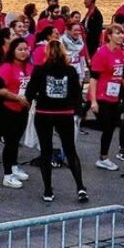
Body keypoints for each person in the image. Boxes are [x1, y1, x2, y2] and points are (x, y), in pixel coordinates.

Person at [24, 41, 87, 203]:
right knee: (70, 151)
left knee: (46, 151)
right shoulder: (70, 71)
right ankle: (80, 187)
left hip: (44, 113)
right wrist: (78, 112)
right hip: (64, 113)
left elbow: (30, 92)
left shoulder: (39, 70)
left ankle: (47, 190)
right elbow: (76, 94)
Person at [88, 24, 124, 171]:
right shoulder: (102, 53)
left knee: (111, 127)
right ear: (109, 36)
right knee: (107, 126)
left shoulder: (120, 52)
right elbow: (93, 78)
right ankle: (103, 158)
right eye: (117, 33)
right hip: (101, 96)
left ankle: (103, 157)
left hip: (114, 96)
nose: (121, 36)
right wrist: (93, 100)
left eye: (122, 33)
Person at [0, 38, 33, 189]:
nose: (24, 52)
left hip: (23, 109)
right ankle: (7, 174)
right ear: (13, 51)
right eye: (20, 49)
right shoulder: (6, 67)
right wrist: (17, 97)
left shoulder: (30, 67)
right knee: (10, 141)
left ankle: (15, 166)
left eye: (26, 49)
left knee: (16, 140)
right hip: (8, 109)